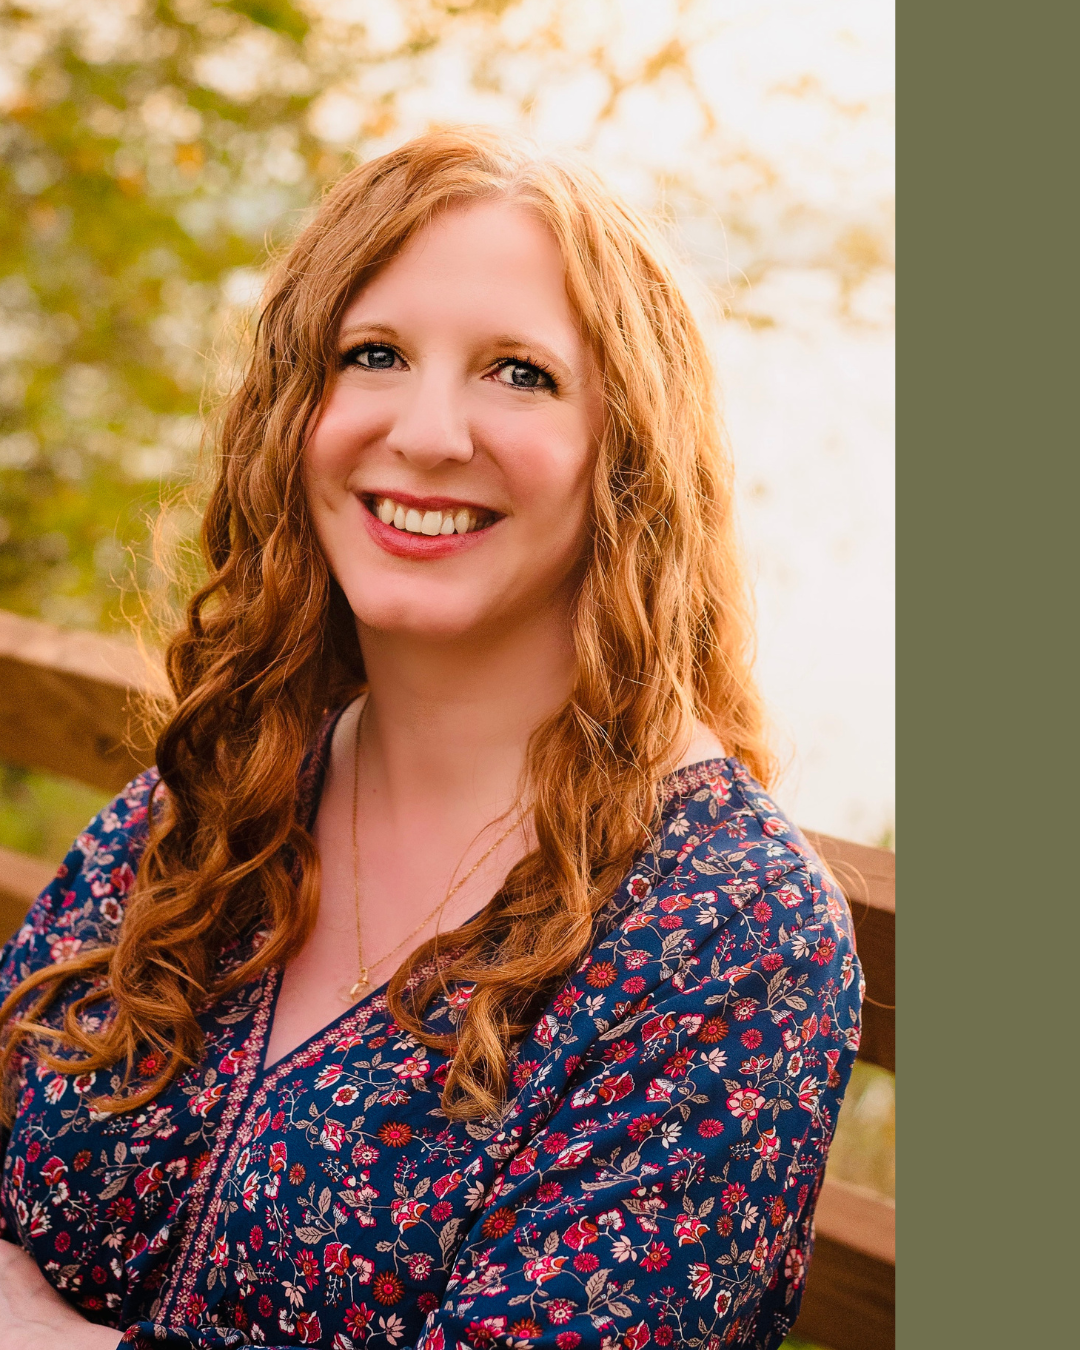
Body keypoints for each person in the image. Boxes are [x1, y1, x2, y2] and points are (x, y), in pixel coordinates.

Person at [0, 128, 862, 1350]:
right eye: (376, 355)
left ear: (627, 455)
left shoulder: (728, 930)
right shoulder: (221, 788)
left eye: (519, 373)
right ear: (296, 411)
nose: (430, 430)